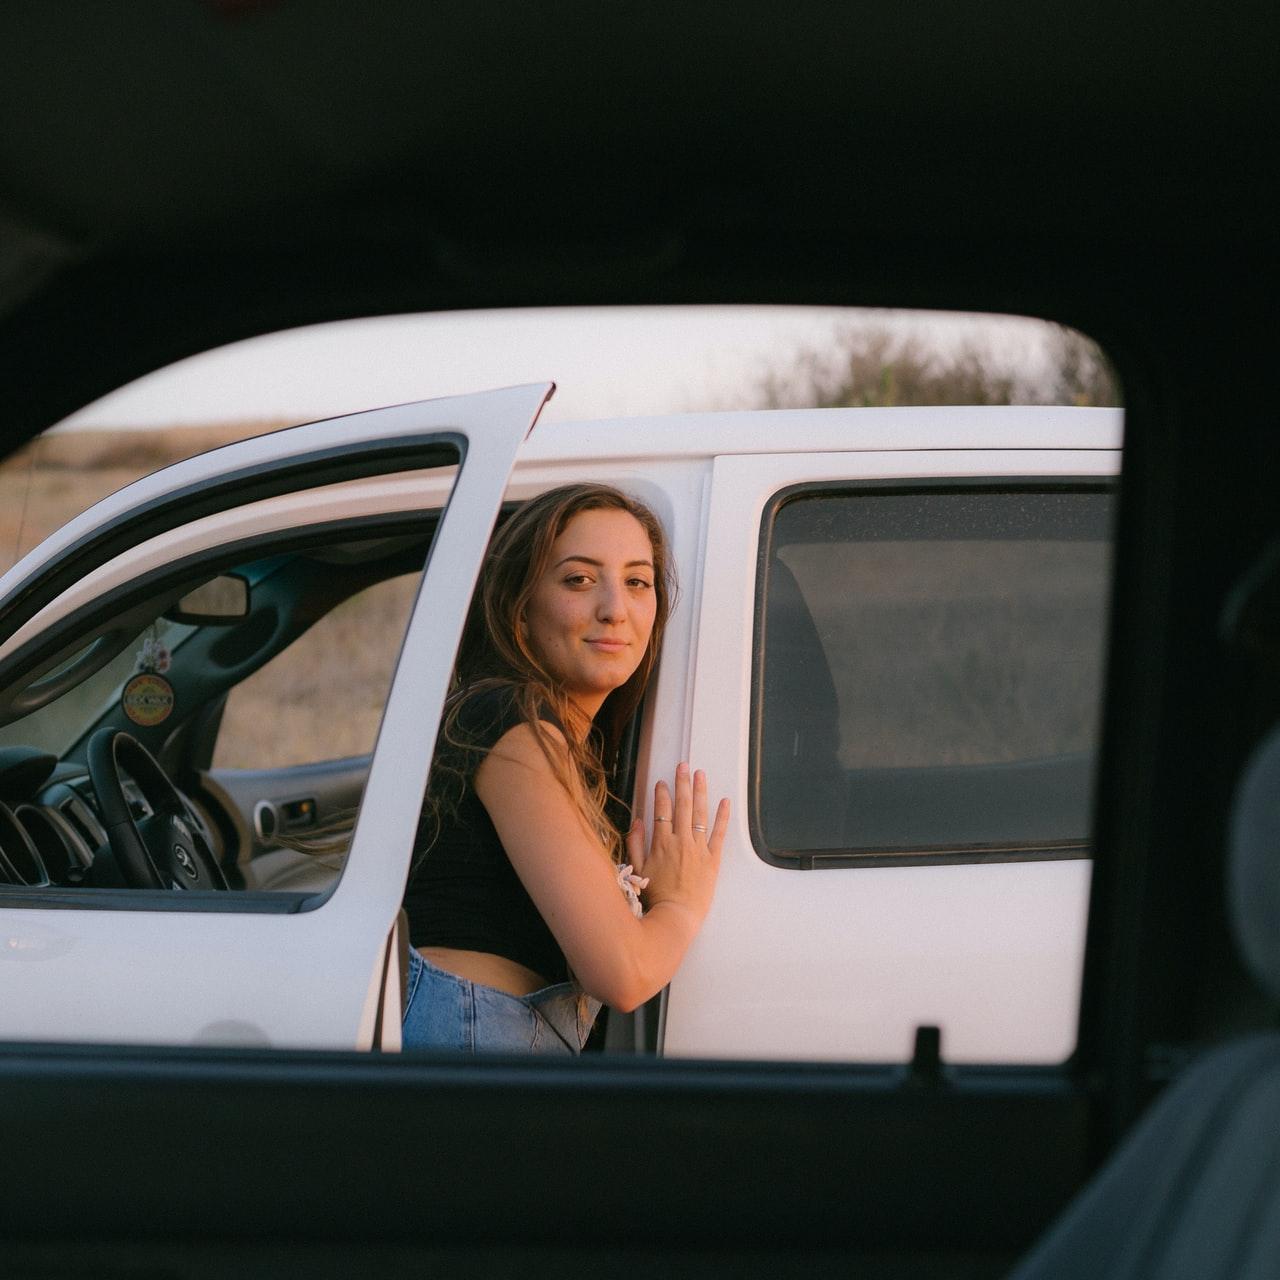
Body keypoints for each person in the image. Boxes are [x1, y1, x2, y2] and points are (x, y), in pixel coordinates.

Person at [400, 483, 729, 1054]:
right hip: (475, 1038)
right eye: (579, 579)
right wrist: (679, 904)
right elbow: (621, 975)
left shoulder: (556, 736)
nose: (614, 609)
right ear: (519, 608)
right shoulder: (509, 722)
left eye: (637, 582)